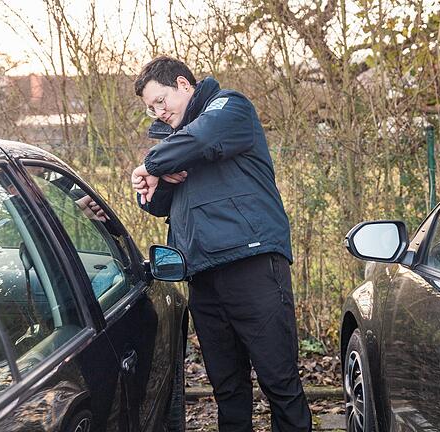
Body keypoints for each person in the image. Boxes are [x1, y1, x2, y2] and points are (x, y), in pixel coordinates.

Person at [130, 56, 311, 432]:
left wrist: (152, 164)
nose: (158, 112)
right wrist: (149, 181)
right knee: (227, 390)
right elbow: (157, 204)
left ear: (184, 84)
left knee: (280, 384)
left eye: (161, 101)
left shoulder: (230, 107)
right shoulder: (173, 146)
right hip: (202, 277)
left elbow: (203, 137)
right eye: (150, 108)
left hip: (253, 266)